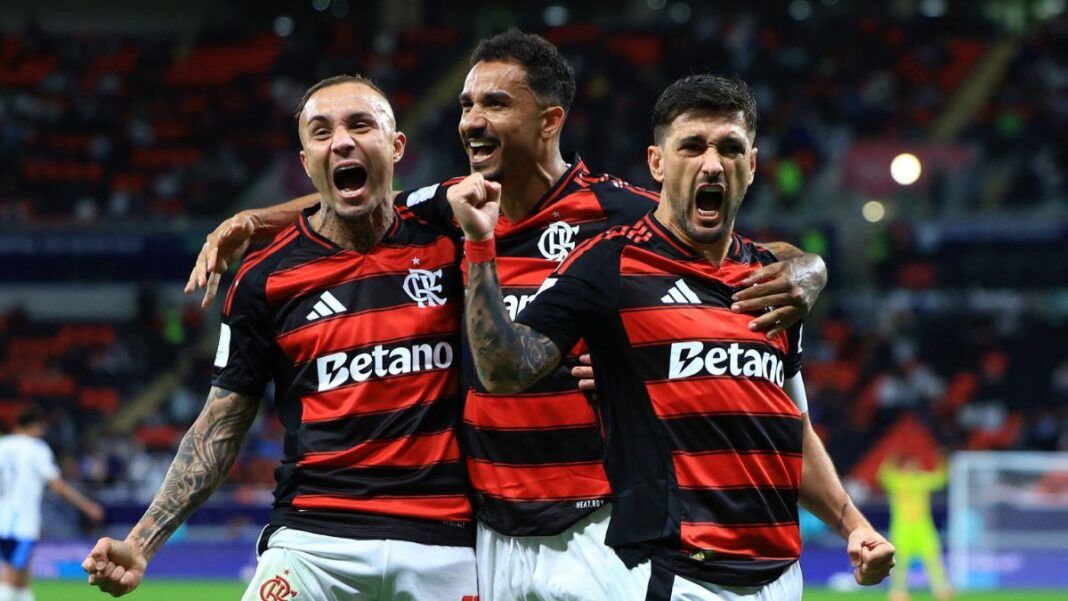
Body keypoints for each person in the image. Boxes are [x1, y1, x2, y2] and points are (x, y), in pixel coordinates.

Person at [186, 31, 828, 599]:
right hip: (490, 532)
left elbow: (735, 254)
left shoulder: (620, 215)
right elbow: (368, 198)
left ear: (550, 121)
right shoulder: (453, 209)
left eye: (493, 105)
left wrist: (808, 268)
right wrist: (255, 220)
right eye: (466, 105)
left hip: (599, 522)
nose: (471, 121)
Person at [450, 73, 895, 599]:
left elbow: (791, 431)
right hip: (672, 574)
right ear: (657, 163)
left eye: (730, 148)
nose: (713, 163)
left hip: (779, 575)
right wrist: (480, 244)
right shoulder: (608, 264)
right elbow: (503, 370)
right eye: (692, 146)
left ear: (752, 165)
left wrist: (853, 525)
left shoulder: (774, 284)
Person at [81, 75, 478, 599]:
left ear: (397, 145)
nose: (342, 141)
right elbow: (219, 426)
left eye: (361, 125)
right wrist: (141, 543)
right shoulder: (263, 278)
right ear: (306, 162)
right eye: (322, 132)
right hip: (313, 543)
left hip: (444, 541)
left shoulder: (455, 239)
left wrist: (255, 219)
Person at [0, 407, 103, 601]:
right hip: (21, 522)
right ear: (33, 426)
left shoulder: (3, 446)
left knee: (19, 575)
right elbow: (57, 485)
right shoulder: (36, 449)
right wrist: (87, 506)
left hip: (2, 519)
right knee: (12, 576)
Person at [879, 454, 951, 601]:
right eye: (909, 465)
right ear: (903, 467)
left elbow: (942, 478)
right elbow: (882, 476)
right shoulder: (896, 480)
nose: (911, 468)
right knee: (899, 561)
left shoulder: (922, 480)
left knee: (932, 557)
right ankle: (897, 592)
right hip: (902, 528)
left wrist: (942, 460)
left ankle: (941, 589)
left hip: (923, 527)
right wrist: (890, 459)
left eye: (914, 465)